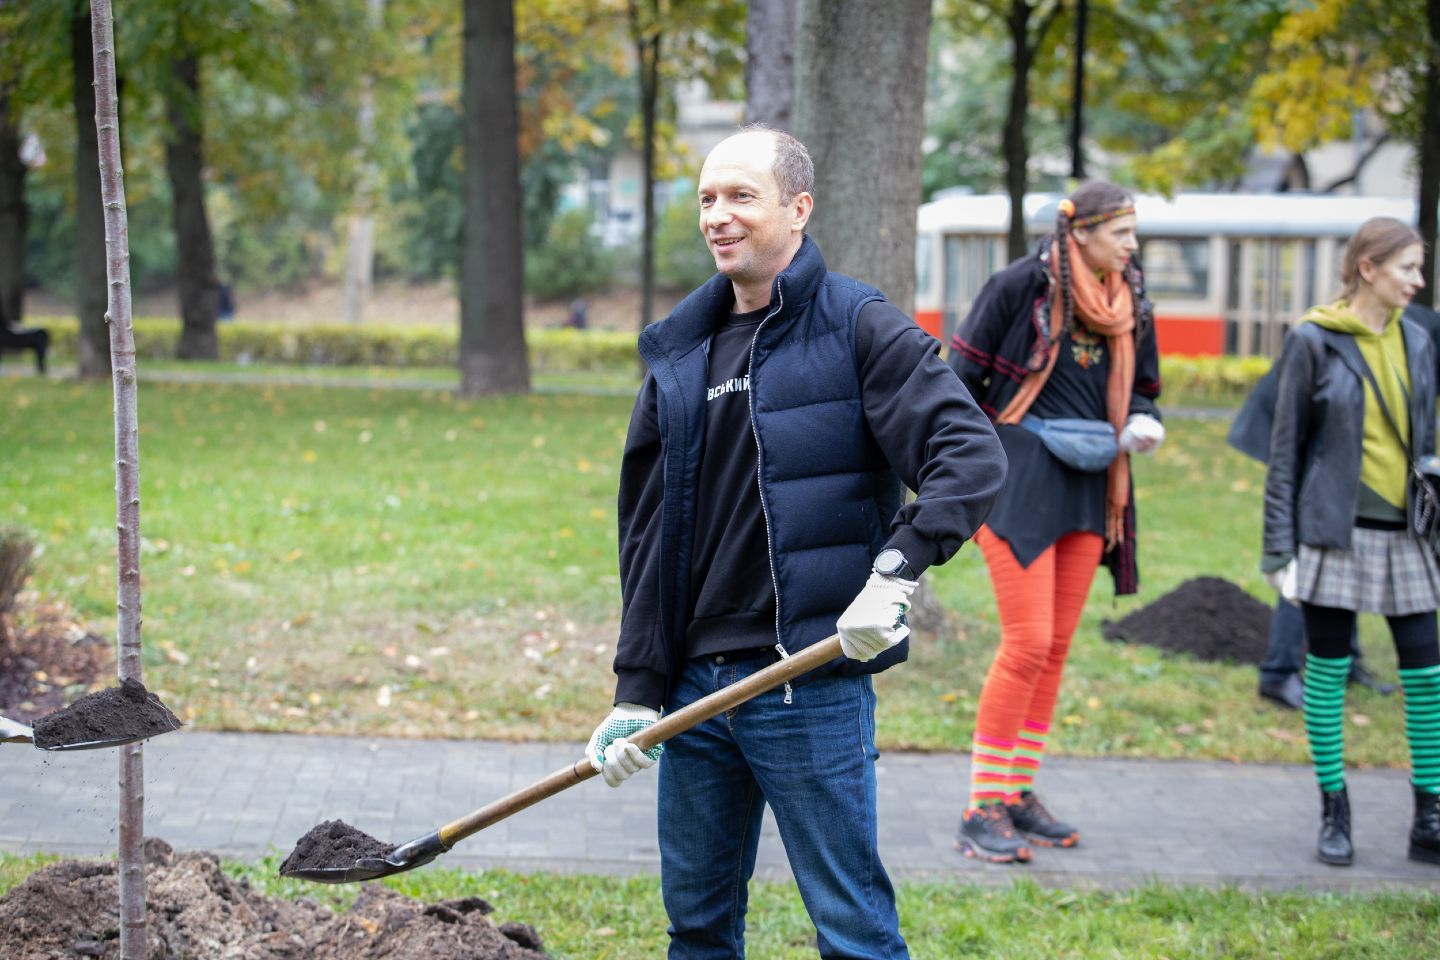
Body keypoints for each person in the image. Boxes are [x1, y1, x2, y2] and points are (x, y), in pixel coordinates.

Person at [583, 127, 1005, 958]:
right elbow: (648, 534)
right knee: (697, 930)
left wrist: (895, 574)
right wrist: (638, 687)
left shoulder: (855, 324)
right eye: (707, 198)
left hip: (803, 684)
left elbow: (969, 453)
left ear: (799, 208)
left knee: (853, 932)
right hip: (695, 695)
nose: (718, 215)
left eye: (742, 196)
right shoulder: (679, 351)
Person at [946, 181, 1164, 863]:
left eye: (1133, 234)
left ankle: (1016, 792)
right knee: (1028, 642)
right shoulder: (1020, 286)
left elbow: (1146, 387)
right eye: (1121, 233)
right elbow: (958, 380)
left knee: (1057, 646)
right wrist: (972, 467)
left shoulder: (1132, 298)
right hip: (1018, 480)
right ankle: (980, 806)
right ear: (1082, 232)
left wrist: (1144, 420)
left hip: (1091, 484)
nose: (1131, 246)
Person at [1263, 216, 1440, 867]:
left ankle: (1430, 815)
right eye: (1407, 268)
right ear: (1368, 268)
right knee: (1329, 673)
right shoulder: (1314, 340)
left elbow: (1423, 439)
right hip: (1332, 533)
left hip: (1407, 535)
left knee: (1427, 676)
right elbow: (1285, 454)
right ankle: (1333, 811)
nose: (1417, 282)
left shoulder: (1416, 339)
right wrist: (1279, 549)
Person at [1228, 368, 1395, 709]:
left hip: (1333, 435)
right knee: (1308, 555)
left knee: (1344, 544)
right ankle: (1278, 672)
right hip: (1301, 430)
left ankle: (1346, 659)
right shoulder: (1324, 344)